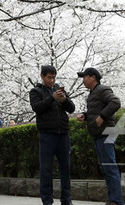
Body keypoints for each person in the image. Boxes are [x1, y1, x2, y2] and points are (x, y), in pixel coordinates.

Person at [76, 67, 123, 205]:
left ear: (93, 77)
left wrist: (102, 116)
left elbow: (115, 102)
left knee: (109, 167)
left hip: (106, 133)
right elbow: (96, 111)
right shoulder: (92, 94)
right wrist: (85, 116)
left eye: (84, 77)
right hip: (98, 134)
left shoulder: (102, 89)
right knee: (106, 168)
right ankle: (112, 199)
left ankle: (116, 201)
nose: (83, 80)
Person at [30, 64, 75, 205]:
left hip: (63, 134)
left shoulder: (59, 89)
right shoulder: (35, 91)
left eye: (54, 77)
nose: (52, 80)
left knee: (65, 168)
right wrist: (52, 98)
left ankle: (66, 200)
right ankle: (47, 200)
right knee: (46, 169)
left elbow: (72, 108)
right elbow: (37, 108)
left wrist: (64, 99)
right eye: (49, 77)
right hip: (47, 134)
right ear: (42, 76)